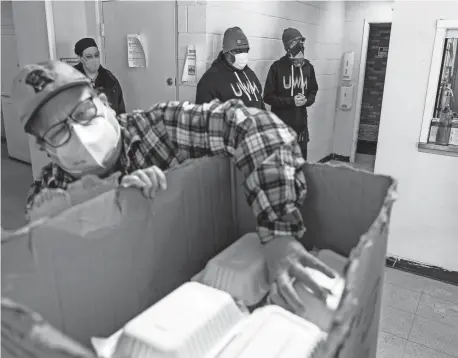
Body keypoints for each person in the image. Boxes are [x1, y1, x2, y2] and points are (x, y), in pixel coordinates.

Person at [11, 60, 334, 313]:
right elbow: (45, 265)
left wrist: (279, 234)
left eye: (84, 112)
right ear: (45, 149)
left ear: (105, 102)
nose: (80, 133)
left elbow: (255, 126)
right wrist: (102, 198)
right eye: (57, 132)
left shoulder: (158, 128)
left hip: (195, 285)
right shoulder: (51, 188)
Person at [264, 28, 318, 161]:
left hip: (301, 129)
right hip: (281, 128)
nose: (300, 45)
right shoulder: (276, 68)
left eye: (301, 42)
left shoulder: (308, 67)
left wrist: (307, 101)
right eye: (295, 42)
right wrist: (291, 101)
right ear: (287, 46)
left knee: (301, 166)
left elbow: (313, 91)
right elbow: (268, 97)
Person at [196, 27, 265, 109]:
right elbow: (204, 116)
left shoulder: (250, 74)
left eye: (246, 50)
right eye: (238, 51)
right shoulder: (210, 80)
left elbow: (260, 101)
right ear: (226, 53)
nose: (243, 55)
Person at [73, 37, 126, 115]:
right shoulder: (72, 80)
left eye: (96, 55)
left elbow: (120, 112)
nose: (94, 60)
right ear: (80, 59)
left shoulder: (110, 81)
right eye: (89, 57)